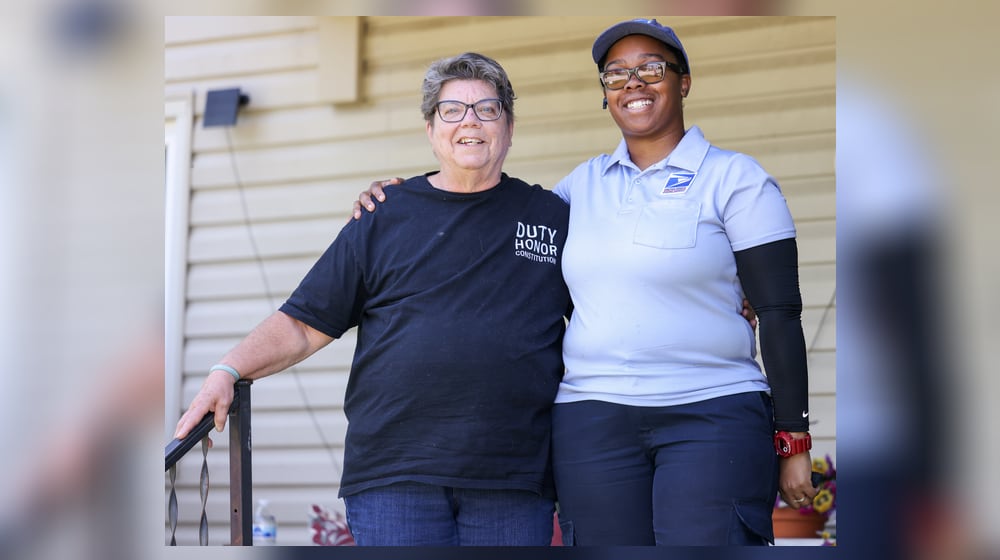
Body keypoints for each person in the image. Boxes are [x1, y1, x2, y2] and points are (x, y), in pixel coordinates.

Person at [354, 19, 814, 546]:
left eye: (651, 69)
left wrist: (793, 437)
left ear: (683, 82)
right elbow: (494, 234)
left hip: (710, 412)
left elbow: (779, 311)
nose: (633, 83)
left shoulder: (738, 180)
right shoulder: (576, 191)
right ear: (605, 94)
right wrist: (404, 199)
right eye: (616, 74)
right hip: (592, 420)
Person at [173, 52, 573, 546]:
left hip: (513, 478)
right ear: (431, 130)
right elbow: (303, 324)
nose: (470, 121)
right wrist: (227, 370)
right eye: (452, 110)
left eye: (487, 109)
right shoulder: (384, 214)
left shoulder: (553, 216)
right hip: (394, 477)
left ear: (509, 128)